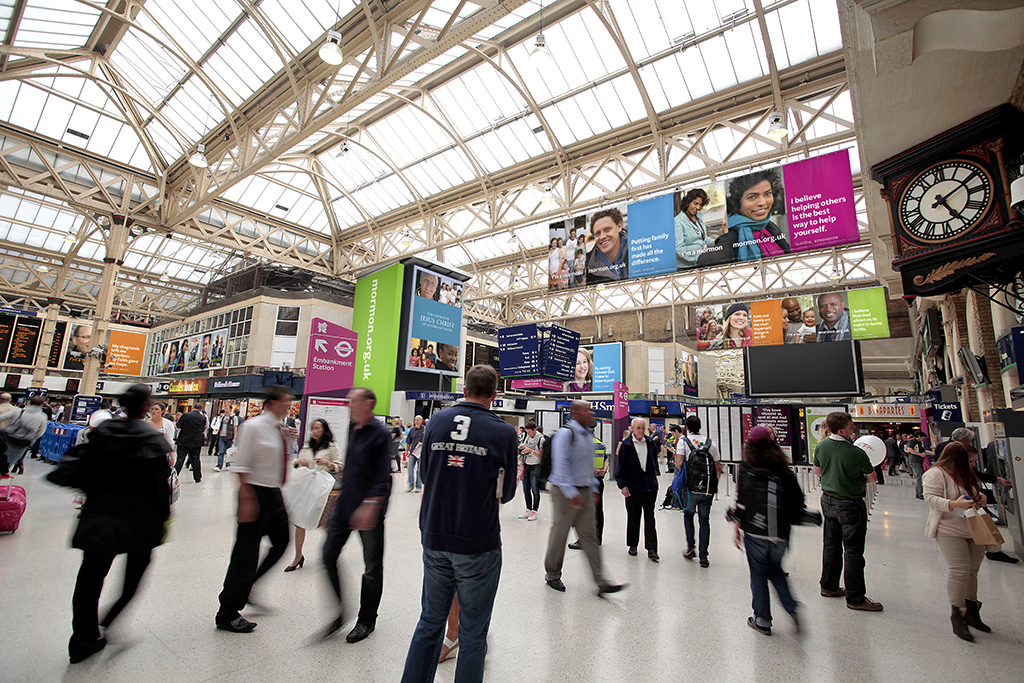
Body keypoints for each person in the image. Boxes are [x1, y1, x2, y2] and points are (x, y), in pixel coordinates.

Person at [400, 365, 518, 683]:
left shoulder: (436, 421)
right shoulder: (504, 432)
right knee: (473, 633)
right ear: (495, 395)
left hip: (435, 535)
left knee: (429, 623)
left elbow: (424, 475)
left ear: (463, 390)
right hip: (477, 541)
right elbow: (506, 494)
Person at [59, 384, 171, 663]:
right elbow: (161, 489)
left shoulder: (103, 433)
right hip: (138, 520)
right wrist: (163, 518)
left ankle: (82, 640)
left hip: (100, 516)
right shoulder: (152, 440)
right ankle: (108, 620)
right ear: (146, 406)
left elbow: (81, 471)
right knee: (133, 578)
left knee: (89, 579)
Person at [215, 386, 297, 633]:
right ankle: (228, 612)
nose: (289, 405)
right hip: (254, 492)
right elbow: (241, 465)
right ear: (271, 402)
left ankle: (249, 585)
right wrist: (246, 497)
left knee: (282, 541)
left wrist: (289, 439)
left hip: (274, 494)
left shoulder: (280, 428)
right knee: (245, 554)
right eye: (286, 401)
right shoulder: (253, 427)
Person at [321, 387, 392, 644]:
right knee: (328, 555)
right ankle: (341, 611)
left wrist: (370, 505)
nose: (349, 404)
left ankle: (366, 619)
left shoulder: (381, 434)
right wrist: (339, 490)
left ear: (369, 404)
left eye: (354, 401)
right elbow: (351, 467)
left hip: (369, 509)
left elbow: (383, 477)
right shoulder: (352, 430)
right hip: (346, 504)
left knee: (372, 566)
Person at [543, 401, 626, 595]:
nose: (591, 413)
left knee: (589, 535)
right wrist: (571, 493)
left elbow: (588, 466)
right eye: (587, 410)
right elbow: (560, 464)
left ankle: (601, 580)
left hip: (585, 491)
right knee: (560, 533)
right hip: (564, 492)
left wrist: (594, 488)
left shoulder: (588, 435)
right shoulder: (566, 434)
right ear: (577, 413)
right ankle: (552, 574)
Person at [734, 426, 806, 635]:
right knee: (775, 571)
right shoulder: (784, 470)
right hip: (779, 533)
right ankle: (791, 607)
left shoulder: (747, 467)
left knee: (758, 574)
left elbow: (742, 500)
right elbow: (798, 502)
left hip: (754, 532)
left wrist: (737, 528)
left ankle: (763, 619)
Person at [923, 441, 994, 641]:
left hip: (973, 528)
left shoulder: (967, 474)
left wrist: (980, 498)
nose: (973, 465)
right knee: (960, 569)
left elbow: (976, 491)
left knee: (972, 570)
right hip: (949, 529)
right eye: (969, 461)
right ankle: (958, 614)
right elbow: (930, 498)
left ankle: (972, 609)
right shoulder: (936, 474)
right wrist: (954, 504)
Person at [814, 411, 882, 611]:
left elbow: (818, 471)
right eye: (852, 426)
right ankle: (856, 597)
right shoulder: (856, 452)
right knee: (853, 551)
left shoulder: (821, 446)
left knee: (831, 545)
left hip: (828, 501)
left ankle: (828, 585)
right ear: (842, 430)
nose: (854, 428)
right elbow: (872, 478)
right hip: (850, 504)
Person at [936, 428, 1018, 564]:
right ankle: (993, 549)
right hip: (960, 498)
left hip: (961, 496)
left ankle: (992, 548)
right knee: (981, 521)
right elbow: (971, 472)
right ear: (964, 440)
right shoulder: (957, 451)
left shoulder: (942, 447)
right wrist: (996, 479)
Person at [283, 418, 343, 573]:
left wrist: (327, 463)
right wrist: (299, 462)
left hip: (323, 490)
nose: (314, 431)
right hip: (307, 488)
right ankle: (298, 556)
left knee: (324, 523)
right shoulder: (308, 446)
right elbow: (296, 462)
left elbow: (339, 465)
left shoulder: (331, 446)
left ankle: (331, 553)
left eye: (318, 428)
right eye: (313, 428)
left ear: (324, 430)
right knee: (299, 521)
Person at [677, 415, 721, 567]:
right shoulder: (711, 443)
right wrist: (713, 486)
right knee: (704, 521)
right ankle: (704, 556)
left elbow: (679, 463)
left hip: (691, 487)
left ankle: (691, 548)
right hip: (707, 488)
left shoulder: (683, 442)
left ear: (687, 428)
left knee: (688, 515)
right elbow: (718, 468)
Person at [719, 169, 791, 263]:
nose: (762, 203)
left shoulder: (769, 226)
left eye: (768, 194)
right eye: (752, 197)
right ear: (738, 202)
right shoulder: (731, 234)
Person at [614, 418, 661, 561]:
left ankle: (652, 548)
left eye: (643, 428)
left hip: (649, 487)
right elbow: (621, 467)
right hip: (633, 488)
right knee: (633, 517)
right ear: (632, 428)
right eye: (638, 428)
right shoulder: (626, 446)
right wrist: (623, 485)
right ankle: (633, 545)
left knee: (650, 518)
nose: (641, 431)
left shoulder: (650, 443)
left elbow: (653, 463)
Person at [0, 395, 48, 476]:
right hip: (22, 444)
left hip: (7, 438)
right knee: (8, 464)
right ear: (42, 404)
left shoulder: (18, 412)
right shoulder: (42, 417)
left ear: (29, 402)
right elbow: (40, 432)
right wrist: (31, 440)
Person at [585, 208, 628, 284]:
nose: (602, 237)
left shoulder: (637, 248)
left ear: (619, 226)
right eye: (597, 233)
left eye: (607, 229)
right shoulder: (588, 265)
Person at [675, 188, 714, 268]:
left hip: (701, 261)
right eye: (695, 203)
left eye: (700, 204)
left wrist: (713, 242)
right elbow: (679, 249)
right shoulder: (677, 221)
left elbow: (702, 237)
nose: (698, 207)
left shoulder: (699, 217)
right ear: (688, 202)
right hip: (687, 266)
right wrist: (700, 256)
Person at [518, 421, 543, 521]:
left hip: (535, 466)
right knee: (525, 488)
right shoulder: (528, 437)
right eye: (527, 432)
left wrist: (531, 450)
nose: (528, 434)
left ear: (534, 430)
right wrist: (522, 447)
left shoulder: (541, 439)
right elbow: (526, 445)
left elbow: (541, 456)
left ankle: (534, 510)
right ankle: (528, 509)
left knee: (535, 489)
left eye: (530, 432)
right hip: (526, 465)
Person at [174, 405, 205, 483]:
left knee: (180, 459)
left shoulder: (186, 415)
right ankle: (197, 477)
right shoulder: (203, 418)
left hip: (184, 440)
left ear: (193, 407)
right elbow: (203, 428)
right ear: (201, 409)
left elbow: (178, 425)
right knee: (196, 459)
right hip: (196, 441)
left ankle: (174, 475)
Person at [905, 430, 929, 500]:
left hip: (918, 461)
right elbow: (909, 449)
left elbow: (924, 451)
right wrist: (920, 454)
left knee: (920, 476)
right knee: (920, 477)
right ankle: (920, 493)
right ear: (919, 436)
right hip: (915, 461)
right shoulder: (912, 441)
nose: (924, 439)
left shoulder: (919, 443)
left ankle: (918, 493)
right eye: (923, 437)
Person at [213, 407, 238, 472]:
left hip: (229, 437)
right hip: (221, 436)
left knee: (228, 451)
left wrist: (234, 437)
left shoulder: (234, 417)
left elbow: (235, 428)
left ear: (230, 409)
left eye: (226, 408)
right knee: (221, 451)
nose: (225, 409)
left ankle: (228, 464)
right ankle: (219, 466)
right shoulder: (222, 417)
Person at [406, 414, 425, 492]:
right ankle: (411, 485)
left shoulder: (425, 430)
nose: (416, 422)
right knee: (410, 468)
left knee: (419, 470)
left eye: (418, 420)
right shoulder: (412, 430)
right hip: (413, 452)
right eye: (415, 420)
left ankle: (418, 486)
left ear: (421, 421)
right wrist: (407, 451)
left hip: (421, 452)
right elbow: (408, 441)